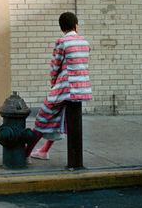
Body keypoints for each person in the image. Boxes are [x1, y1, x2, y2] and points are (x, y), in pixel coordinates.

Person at [25, 11, 92, 160]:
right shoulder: (85, 43)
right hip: (82, 89)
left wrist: (53, 84)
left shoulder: (62, 42)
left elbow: (55, 67)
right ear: (76, 26)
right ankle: (43, 150)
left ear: (62, 28)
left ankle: (26, 153)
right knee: (58, 117)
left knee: (43, 116)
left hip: (66, 87)